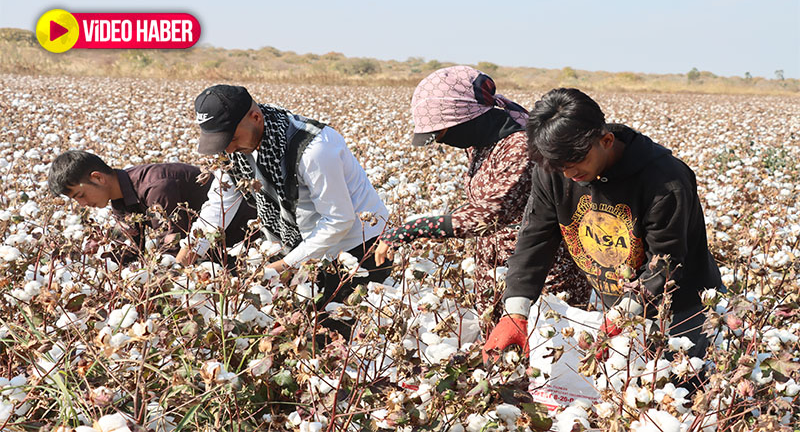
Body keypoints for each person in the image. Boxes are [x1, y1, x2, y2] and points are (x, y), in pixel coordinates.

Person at [483, 88, 722, 362]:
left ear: (606, 140)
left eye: (576, 163)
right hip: (616, 302)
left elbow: (665, 261)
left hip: (681, 306)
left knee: (678, 384)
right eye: (560, 167)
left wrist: (621, 315)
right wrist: (516, 311)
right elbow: (534, 238)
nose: (569, 175)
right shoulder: (555, 170)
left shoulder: (664, 181)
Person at [375, 66, 589, 313]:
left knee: (536, 344)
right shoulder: (481, 142)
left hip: (541, 276)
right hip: (497, 270)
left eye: (442, 132)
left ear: (467, 120)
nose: (442, 140)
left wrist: (411, 229)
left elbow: (488, 214)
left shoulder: (520, 147)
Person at [185, 84, 391, 338]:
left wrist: (283, 265)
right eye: (221, 142)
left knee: (338, 342)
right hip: (302, 249)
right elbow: (220, 203)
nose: (227, 149)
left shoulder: (314, 148)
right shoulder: (235, 152)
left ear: (255, 117)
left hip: (359, 249)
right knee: (296, 335)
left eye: (232, 139)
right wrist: (189, 252)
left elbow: (338, 220)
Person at [47, 150, 256, 262]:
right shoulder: (120, 201)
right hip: (212, 252)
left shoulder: (156, 187)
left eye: (81, 195)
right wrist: (82, 261)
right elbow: (130, 250)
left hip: (249, 242)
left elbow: (172, 248)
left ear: (98, 178)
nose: (83, 204)